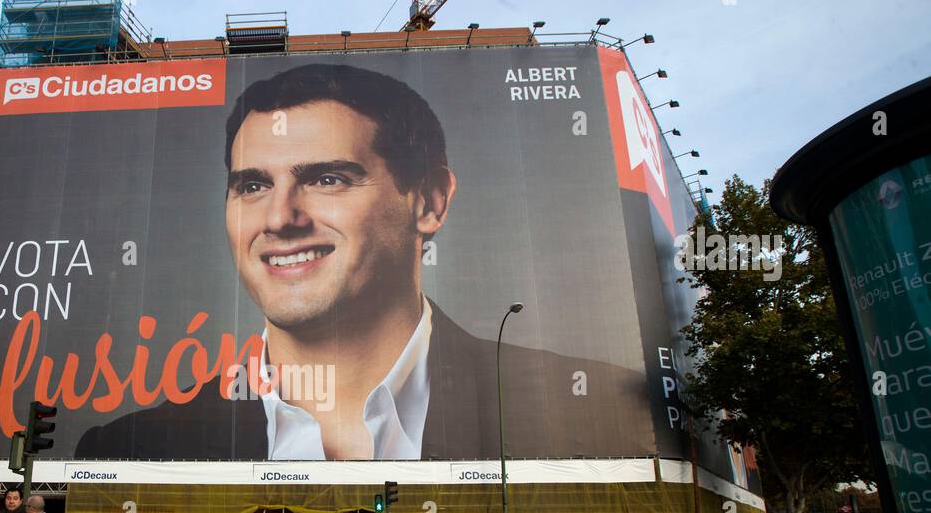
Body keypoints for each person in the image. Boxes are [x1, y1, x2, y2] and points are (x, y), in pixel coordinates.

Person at [74, 63, 646, 461]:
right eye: (251, 186)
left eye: (326, 178)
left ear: (429, 201)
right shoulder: (133, 442)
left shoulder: (595, 406)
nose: (279, 218)